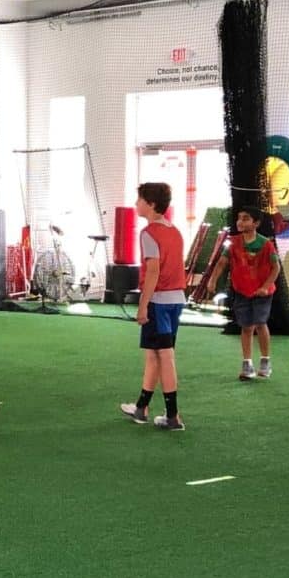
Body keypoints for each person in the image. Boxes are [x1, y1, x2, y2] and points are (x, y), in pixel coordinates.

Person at [119, 182, 187, 431]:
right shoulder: (175, 231)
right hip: (176, 300)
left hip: (159, 301)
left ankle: (172, 417)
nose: (136, 204)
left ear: (151, 204)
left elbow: (153, 271)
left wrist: (142, 306)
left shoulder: (148, 233)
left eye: (139, 200)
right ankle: (141, 408)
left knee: (165, 357)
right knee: (154, 355)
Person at [206, 206, 280, 380]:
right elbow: (222, 263)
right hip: (242, 291)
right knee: (246, 327)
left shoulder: (266, 244)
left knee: (260, 323)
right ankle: (247, 364)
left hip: (262, 293)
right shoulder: (233, 243)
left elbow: (276, 268)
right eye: (239, 218)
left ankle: (265, 361)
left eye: (246, 218)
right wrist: (212, 280)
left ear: (256, 223)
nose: (240, 222)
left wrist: (265, 286)